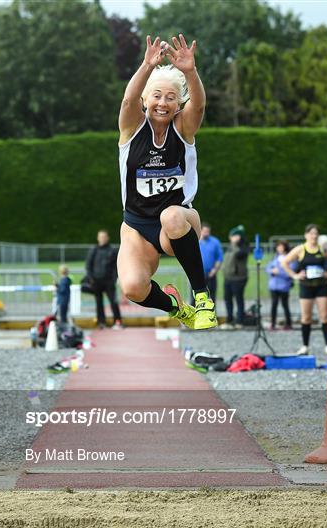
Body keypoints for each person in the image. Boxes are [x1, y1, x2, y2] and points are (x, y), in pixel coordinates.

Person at [116, 34, 217, 330]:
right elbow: (127, 99)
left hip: (178, 222)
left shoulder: (183, 128)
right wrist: (147, 66)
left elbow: (198, 106)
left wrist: (190, 71)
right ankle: (177, 307)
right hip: (136, 225)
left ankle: (202, 297)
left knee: (170, 214)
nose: (162, 103)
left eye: (171, 97)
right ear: (146, 100)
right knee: (133, 287)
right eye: (157, 96)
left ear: (178, 103)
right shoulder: (132, 128)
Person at [281, 224, 327, 355]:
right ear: (306, 235)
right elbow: (284, 262)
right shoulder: (301, 249)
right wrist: (295, 275)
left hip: (321, 286)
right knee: (306, 317)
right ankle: (305, 346)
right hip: (306, 286)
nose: (314, 236)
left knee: (324, 316)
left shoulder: (322, 249)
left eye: (316, 233)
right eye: (311, 233)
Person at [86, 230, 122, 329]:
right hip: (96, 281)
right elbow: (88, 266)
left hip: (109, 281)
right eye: (100, 237)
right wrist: (90, 278)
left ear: (107, 238)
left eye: (104, 237)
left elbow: (116, 266)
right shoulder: (94, 250)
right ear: (98, 238)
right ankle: (101, 322)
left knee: (113, 301)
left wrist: (115, 278)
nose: (102, 239)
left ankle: (118, 321)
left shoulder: (112, 250)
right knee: (99, 302)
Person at [221, 225, 249, 329]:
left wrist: (237, 243)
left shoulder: (243, 246)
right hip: (228, 277)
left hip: (239, 278)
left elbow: (240, 254)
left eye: (235, 235)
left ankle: (239, 321)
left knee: (239, 299)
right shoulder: (230, 247)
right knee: (227, 299)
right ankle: (229, 319)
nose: (233, 238)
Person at [265, 240, 294, 331]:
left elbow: (291, 271)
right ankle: (272, 323)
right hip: (274, 285)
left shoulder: (289, 258)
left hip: (284, 285)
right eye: (278, 247)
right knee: (274, 305)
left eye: (281, 246)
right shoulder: (275, 258)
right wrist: (272, 271)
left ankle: (288, 323)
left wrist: (279, 272)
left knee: (285, 305)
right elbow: (268, 267)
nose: (279, 248)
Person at [196, 222, 223, 303]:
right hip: (197, 275)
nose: (206, 233)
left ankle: (212, 315)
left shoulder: (215, 242)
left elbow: (219, 258)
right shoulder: (195, 241)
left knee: (212, 298)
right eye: (205, 231)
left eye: (208, 232)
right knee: (196, 298)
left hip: (211, 275)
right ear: (200, 230)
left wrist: (214, 270)